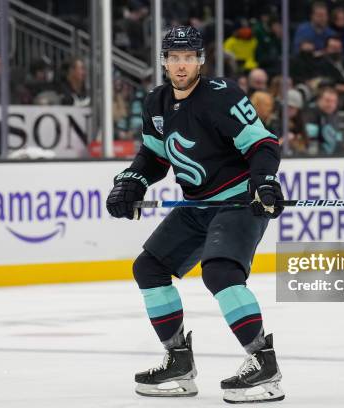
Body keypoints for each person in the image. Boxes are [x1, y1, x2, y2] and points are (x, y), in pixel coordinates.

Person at [105, 26, 285, 403]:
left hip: (238, 202)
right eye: (174, 57)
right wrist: (132, 181)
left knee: (220, 272)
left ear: (200, 60)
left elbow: (263, 144)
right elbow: (153, 157)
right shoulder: (155, 102)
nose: (181, 64)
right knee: (148, 268)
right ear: (164, 61)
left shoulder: (222, 96)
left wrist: (264, 182)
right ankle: (178, 361)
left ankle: (263, 363)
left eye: (189, 57)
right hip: (197, 206)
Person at [303, 87, 344, 154]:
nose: (331, 105)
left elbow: (339, 139)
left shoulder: (335, 116)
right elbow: (311, 142)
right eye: (327, 101)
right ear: (319, 100)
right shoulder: (311, 115)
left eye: (334, 102)